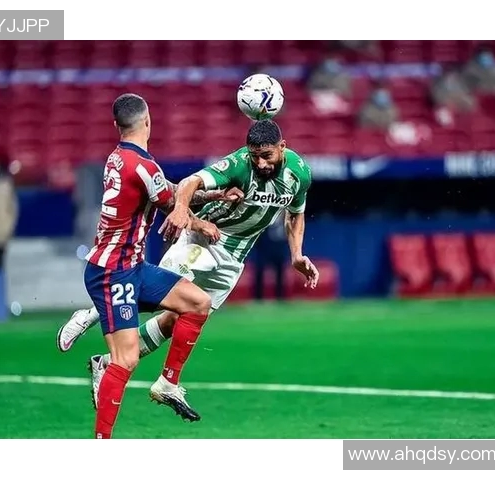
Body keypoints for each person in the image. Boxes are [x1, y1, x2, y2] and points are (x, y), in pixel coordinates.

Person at [57, 120, 319, 414]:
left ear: (282, 147)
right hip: (202, 239)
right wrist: (182, 210)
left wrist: (296, 254)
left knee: (176, 319)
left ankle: (107, 364)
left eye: (266, 156)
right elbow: (189, 183)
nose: (260, 163)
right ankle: (92, 314)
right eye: (254, 156)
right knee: (158, 295)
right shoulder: (238, 164)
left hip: (234, 258)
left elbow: (295, 213)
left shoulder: (299, 174)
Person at [84, 93, 236, 439]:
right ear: (148, 121)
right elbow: (171, 204)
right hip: (114, 272)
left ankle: (168, 383)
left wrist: (213, 195)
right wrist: (201, 223)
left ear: (116, 125)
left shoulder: (119, 158)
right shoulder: (144, 165)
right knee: (125, 359)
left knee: (198, 302)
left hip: (132, 267)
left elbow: (168, 192)